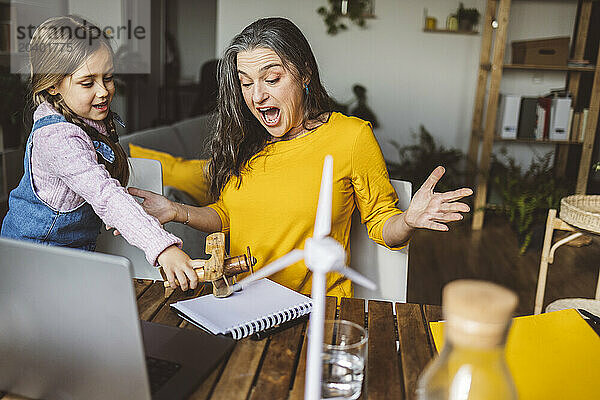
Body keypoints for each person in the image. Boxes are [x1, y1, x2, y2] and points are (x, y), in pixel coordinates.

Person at [131, 17, 472, 298]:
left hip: (314, 311)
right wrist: (177, 211)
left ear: (305, 73)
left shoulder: (349, 136)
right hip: (241, 300)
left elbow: (383, 225)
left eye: (272, 78)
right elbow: (228, 214)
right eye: (246, 83)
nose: (257, 95)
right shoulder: (244, 140)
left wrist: (408, 221)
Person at [0, 16, 199, 291]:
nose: (104, 91)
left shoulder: (85, 116)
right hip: (34, 266)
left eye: (107, 78)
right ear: (53, 85)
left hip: (73, 259)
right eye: (87, 82)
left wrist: (132, 218)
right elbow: (105, 194)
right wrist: (163, 248)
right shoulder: (57, 138)